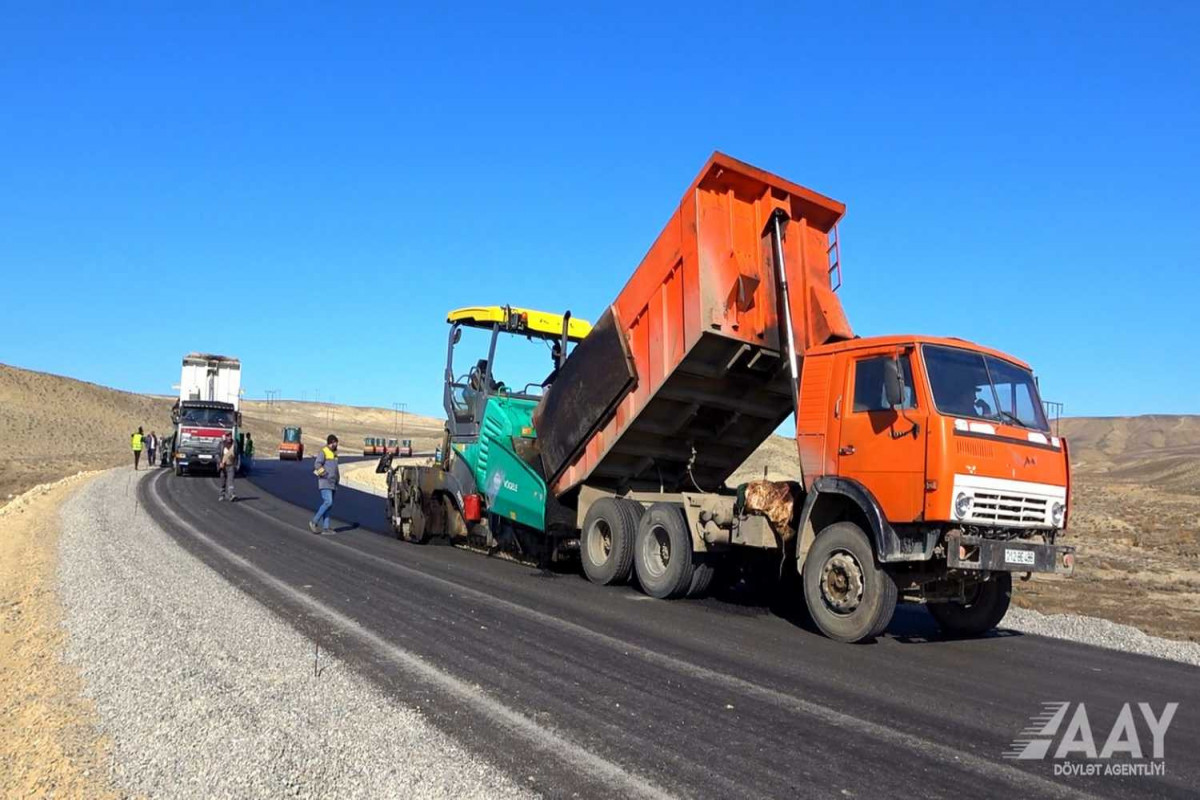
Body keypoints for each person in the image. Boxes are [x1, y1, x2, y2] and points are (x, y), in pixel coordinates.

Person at [309, 435, 339, 534]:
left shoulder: (334, 454)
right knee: (328, 502)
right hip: (325, 481)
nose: (336, 445)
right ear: (330, 442)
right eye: (335, 443)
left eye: (336, 443)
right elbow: (317, 464)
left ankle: (326, 528)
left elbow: (335, 468)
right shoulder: (324, 451)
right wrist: (324, 474)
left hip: (333, 482)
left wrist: (337, 478)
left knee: (329, 505)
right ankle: (314, 522)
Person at [217, 432, 238, 502]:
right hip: (223, 466)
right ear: (225, 437)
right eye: (227, 436)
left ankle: (231, 495)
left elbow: (237, 455)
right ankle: (221, 495)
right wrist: (220, 462)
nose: (229, 437)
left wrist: (236, 465)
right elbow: (217, 454)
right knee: (223, 481)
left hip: (231, 466)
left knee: (230, 481)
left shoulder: (234, 444)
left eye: (230, 436)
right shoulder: (221, 444)